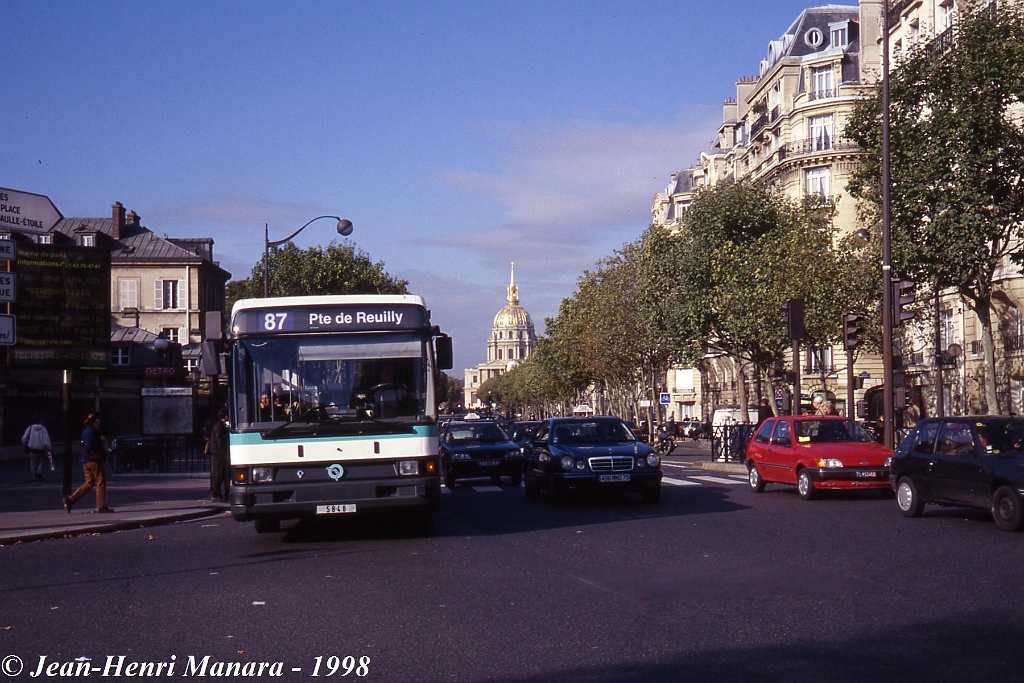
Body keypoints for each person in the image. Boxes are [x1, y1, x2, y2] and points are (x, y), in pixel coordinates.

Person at [64, 412, 113, 514]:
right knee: (101, 482)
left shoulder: (86, 430)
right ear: (96, 420)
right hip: (93, 460)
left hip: (85, 460)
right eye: (99, 419)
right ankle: (100, 506)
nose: (99, 421)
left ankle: (70, 500)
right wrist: (101, 441)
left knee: (89, 483)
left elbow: (83, 443)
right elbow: (91, 445)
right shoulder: (93, 431)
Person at [209, 407, 231, 502]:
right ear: (225, 416)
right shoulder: (220, 427)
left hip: (218, 453)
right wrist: (225, 455)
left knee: (219, 474)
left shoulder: (219, 426)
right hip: (219, 454)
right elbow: (220, 442)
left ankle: (218, 493)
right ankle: (216, 493)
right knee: (219, 474)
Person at [22, 415, 53, 482]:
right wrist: (48, 447)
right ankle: (38, 472)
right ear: (39, 421)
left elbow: (24, 438)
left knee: (32, 463)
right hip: (41, 449)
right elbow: (46, 439)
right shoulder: (43, 429)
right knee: (41, 461)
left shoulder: (30, 428)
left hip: (32, 449)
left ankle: (34, 476)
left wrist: (24, 443)